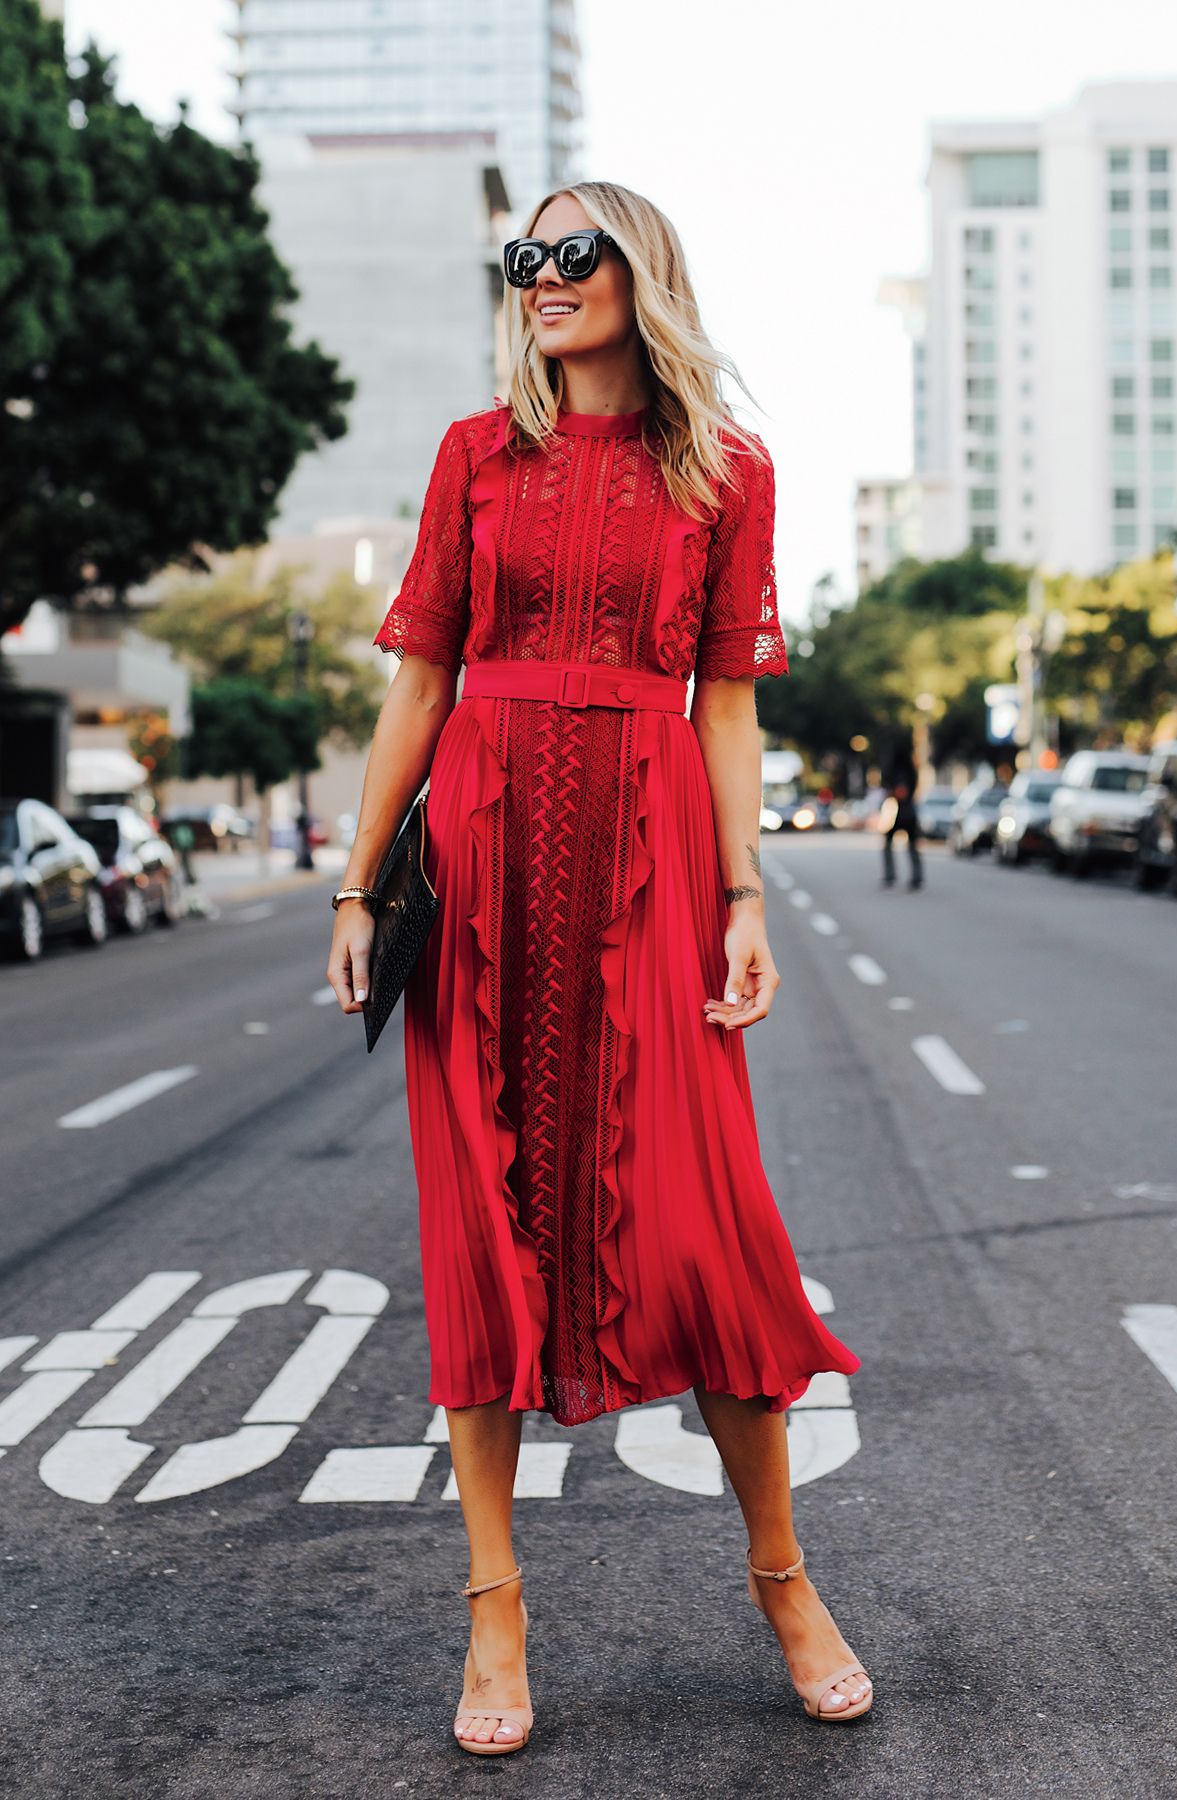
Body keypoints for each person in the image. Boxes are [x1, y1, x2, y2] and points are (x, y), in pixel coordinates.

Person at [327, 181, 873, 1755]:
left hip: (650, 858)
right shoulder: (473, 456)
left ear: (645, 275)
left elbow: (727, 706)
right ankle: (494, 1614)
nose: (546, 281)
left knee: (713, 1241)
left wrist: (746, 897)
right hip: (484, 853)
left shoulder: (725, 471)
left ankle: (783, 1578)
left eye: (576, 255)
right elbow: (420, 684)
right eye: (527, 260)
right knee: (484, 1233)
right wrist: (360, 884)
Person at [881, 752, 923, 890]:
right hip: (900, 814)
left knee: (910, 847)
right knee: (906, 847)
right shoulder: (907, 771)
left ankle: (912, 877)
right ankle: (896, 875)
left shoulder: (896, 772)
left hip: (903, 813)